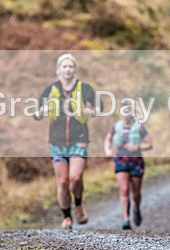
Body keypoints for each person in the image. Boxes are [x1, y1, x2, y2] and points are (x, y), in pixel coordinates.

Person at [35, 53, 98, 229]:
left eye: (71, 66)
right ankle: (67, 217)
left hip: (79, 139)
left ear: (75, 69)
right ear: (58, 69)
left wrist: (91, 111)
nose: (68, 69)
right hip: (57, 141)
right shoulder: (50, 90)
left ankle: (78, 204)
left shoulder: (85, 88)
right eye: (64, 66)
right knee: (63, 181)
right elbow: (36, 113)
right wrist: (42, 111)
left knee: (75, 178)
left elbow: (99, 107)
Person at [103, 105, 153, 230]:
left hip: (136, 162)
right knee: (124, 189)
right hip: (121, 160)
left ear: (132, 113)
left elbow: (149, 144)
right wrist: (108, 150)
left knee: (136, 192)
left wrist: (138, 147)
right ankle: (126, 219)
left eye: (128, 112)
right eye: (123, 112)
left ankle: (136, 208)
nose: (125, 114)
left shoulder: (139, 127)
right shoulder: (115, 127)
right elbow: (107, 140)